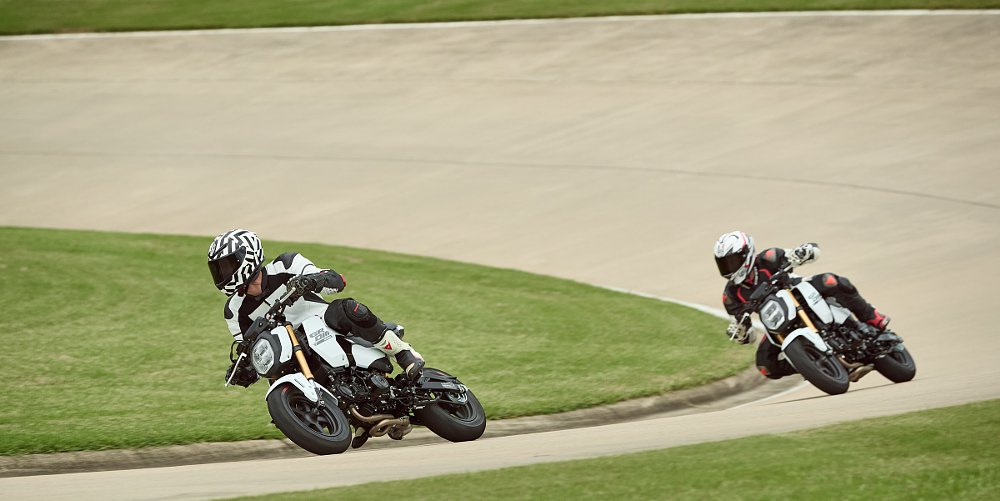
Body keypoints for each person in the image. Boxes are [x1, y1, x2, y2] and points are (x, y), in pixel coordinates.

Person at [207, 229, 424, 387]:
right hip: (290, 352)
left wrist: (311, 281)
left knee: (346, 308)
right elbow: (253, 351)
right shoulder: (233, 311)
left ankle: (403, 353)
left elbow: (336, 280)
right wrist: (244, 370)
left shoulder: (286, 264)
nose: (222, 273)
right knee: (274, 375)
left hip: (323, 322)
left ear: (248, 257)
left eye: (227, 265)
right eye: (217, 269)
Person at [712, 230, 891, 382]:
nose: (729, 268)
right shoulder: (730, 295)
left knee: (831, 281)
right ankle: (813, 364)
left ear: (746, 254)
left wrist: (802, 252)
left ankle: (873, 318)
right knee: (765, 365)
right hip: (777, 323)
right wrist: (741, 333)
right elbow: (746, 334)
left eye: (732, 261)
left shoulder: (768, 258)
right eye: (723, 264)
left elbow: (805, 253)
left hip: (800, 293)